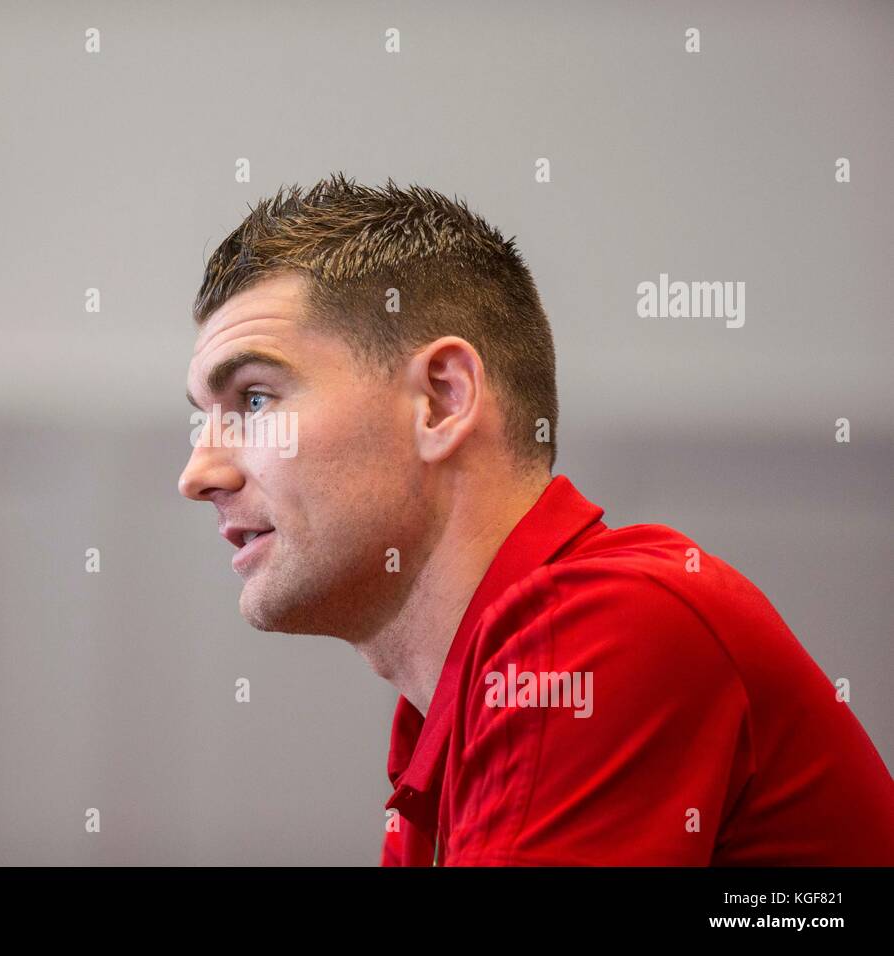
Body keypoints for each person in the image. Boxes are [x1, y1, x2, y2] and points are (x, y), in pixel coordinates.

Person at [177, 173, 894, 865]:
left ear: (440, 401)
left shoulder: (606, 627)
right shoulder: (438, 717)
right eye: (202, 421)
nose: (197, 475)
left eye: (256, 400)